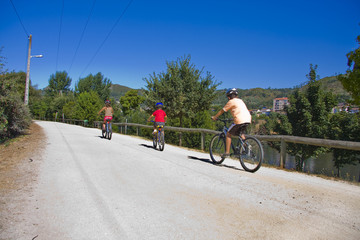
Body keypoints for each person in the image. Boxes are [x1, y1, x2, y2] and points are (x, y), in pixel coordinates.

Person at [211, 88, 251, 157]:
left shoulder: (231, 101)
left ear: (229, 97)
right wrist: (233, 118)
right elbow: (240, 111)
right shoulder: (240, 101)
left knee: (228, 134)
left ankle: (227, 152)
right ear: (236, 95)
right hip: (248, 119)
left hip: (239, 120)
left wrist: (215, 117)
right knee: (241, 133)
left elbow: (222, 111)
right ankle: (246, 146)